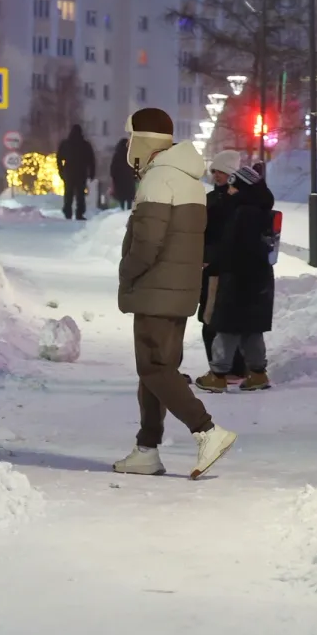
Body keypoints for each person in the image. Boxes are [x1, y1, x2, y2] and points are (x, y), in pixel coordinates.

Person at [113, 107, 237, 479]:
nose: (129, 145)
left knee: (153, 367)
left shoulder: (158, 180)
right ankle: (146, 449)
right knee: (157, 370)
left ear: (144, 140)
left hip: (155, 289)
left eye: (132, 136)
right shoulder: (188, 180)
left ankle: (207, 431)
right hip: (178, 290)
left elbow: (147, 243)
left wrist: (127, 270)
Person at [197, 163, 275, 393]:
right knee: (251, 329)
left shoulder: (244, 212)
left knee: (226, 326)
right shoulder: (259, 209)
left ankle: (218, 374)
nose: (229, 191)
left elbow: (233, 247)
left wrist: (215, 263)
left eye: (234, 186)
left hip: (238, 278)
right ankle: (258, 373)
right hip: (257, 278)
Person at [199, 150, 246, 381]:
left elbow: (222, 236)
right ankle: (229, 368)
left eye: (221, 171)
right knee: (216, 321)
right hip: (213, 267)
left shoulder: (231, 202)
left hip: (218, 269)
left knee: (213, 321)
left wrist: (210, 256)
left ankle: (222, 370)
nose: (216, 175)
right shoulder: (214, 198)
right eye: (214, 171)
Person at [56, 124, 96, 221]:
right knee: (80, 195)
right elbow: (91, 160)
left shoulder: (65, 144)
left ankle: (67, 212)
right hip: (81, 172)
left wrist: (61, 171)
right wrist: (91, 173)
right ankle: (79, 213)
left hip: (69, 172)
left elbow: (59, 158)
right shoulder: (85, 145)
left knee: (68, 193)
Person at [110, 138, 136, 211]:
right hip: (129, 179)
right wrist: (136, 176)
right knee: (129, 197)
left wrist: (113, 177)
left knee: (122, 196)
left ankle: (122, 209)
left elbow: (113, 168)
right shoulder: (131, 154)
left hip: (119, 180)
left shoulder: (117, 155)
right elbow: (136, 165)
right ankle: (128, 209)